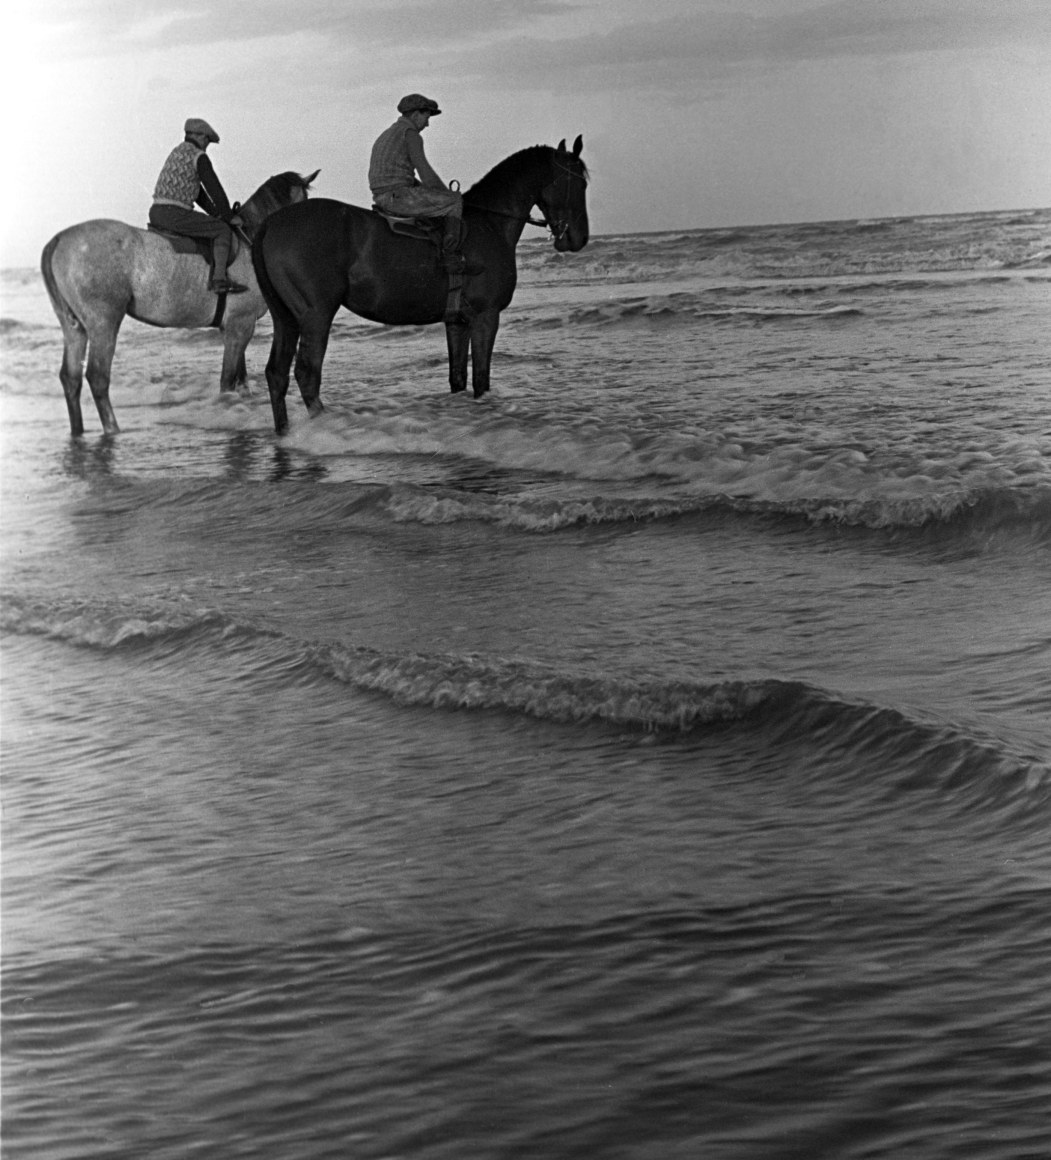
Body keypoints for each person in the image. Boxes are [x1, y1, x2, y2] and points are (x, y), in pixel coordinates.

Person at [149, 118, 247, 294]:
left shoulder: (177, 152)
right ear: (201, 137)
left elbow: (198, 193)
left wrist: (216, 214)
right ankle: (219, 280)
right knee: (222, 230)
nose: (206, 146)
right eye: (207, 141)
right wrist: (228, 217)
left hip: (156, 211)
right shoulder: (198, 156)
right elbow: (214, 189)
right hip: (175, 214)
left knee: (215, 224)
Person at [369, 94, 465, 271]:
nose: (427, 124)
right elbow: (426, 172)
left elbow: (399, 174)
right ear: (415, 115)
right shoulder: (411, 134)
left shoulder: (387, 135)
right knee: (455, 201)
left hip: (382, 196)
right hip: (398, 197)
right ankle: (450, 257)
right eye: (426, 118)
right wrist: (447, 194)